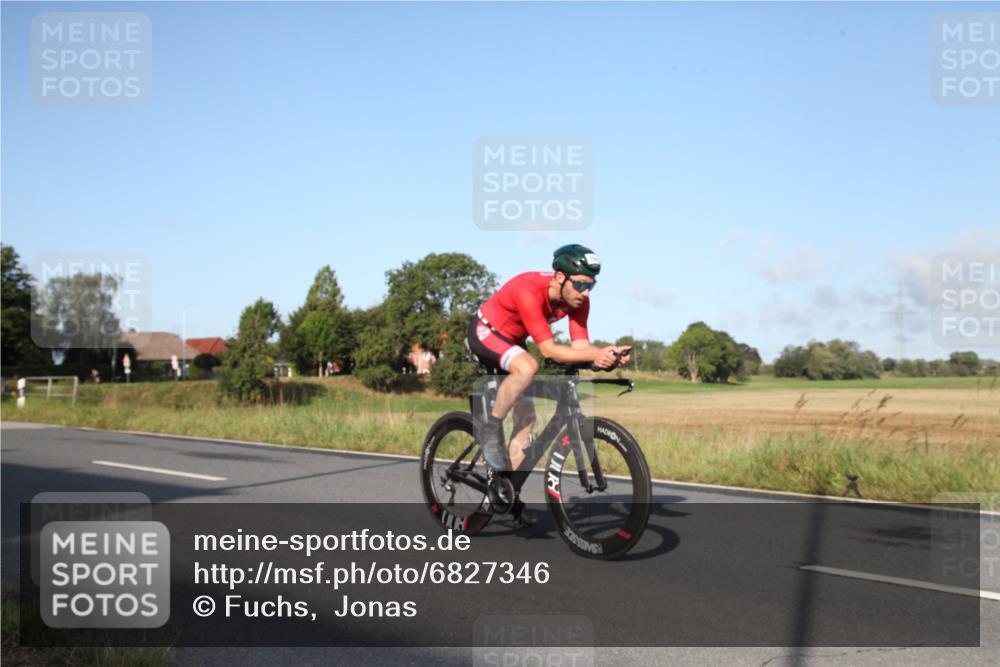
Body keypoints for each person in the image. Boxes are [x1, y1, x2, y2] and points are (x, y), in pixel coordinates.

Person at [465, 245, 632, 523]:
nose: (586, 292)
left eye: (592, 286)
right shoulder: (528, 289)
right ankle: (489, 429)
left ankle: (508, 492)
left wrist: (606, 357)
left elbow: (580, 348)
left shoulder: (579, 301)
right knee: (528, 365)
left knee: (527, 419)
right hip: (486, 331)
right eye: (580, 284)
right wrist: (592, 354)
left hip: (513, 341)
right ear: (559, 278)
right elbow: (549, 351)